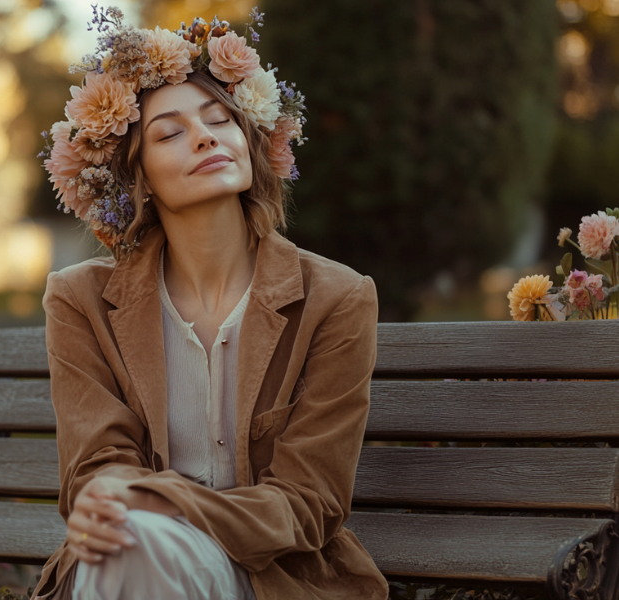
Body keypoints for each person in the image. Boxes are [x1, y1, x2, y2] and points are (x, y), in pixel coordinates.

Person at [32, 9, 387, 600]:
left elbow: (309, 503)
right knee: (131, 544)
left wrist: (162, 502)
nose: (205, 136)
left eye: (220, 119)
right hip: (129, 554)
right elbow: (97, 467)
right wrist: (130, 504)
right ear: (138, 177)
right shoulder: (79, 301)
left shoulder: (336, 299)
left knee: (135, 542)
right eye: (168, 134)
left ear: (248, 141)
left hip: (271, 577)